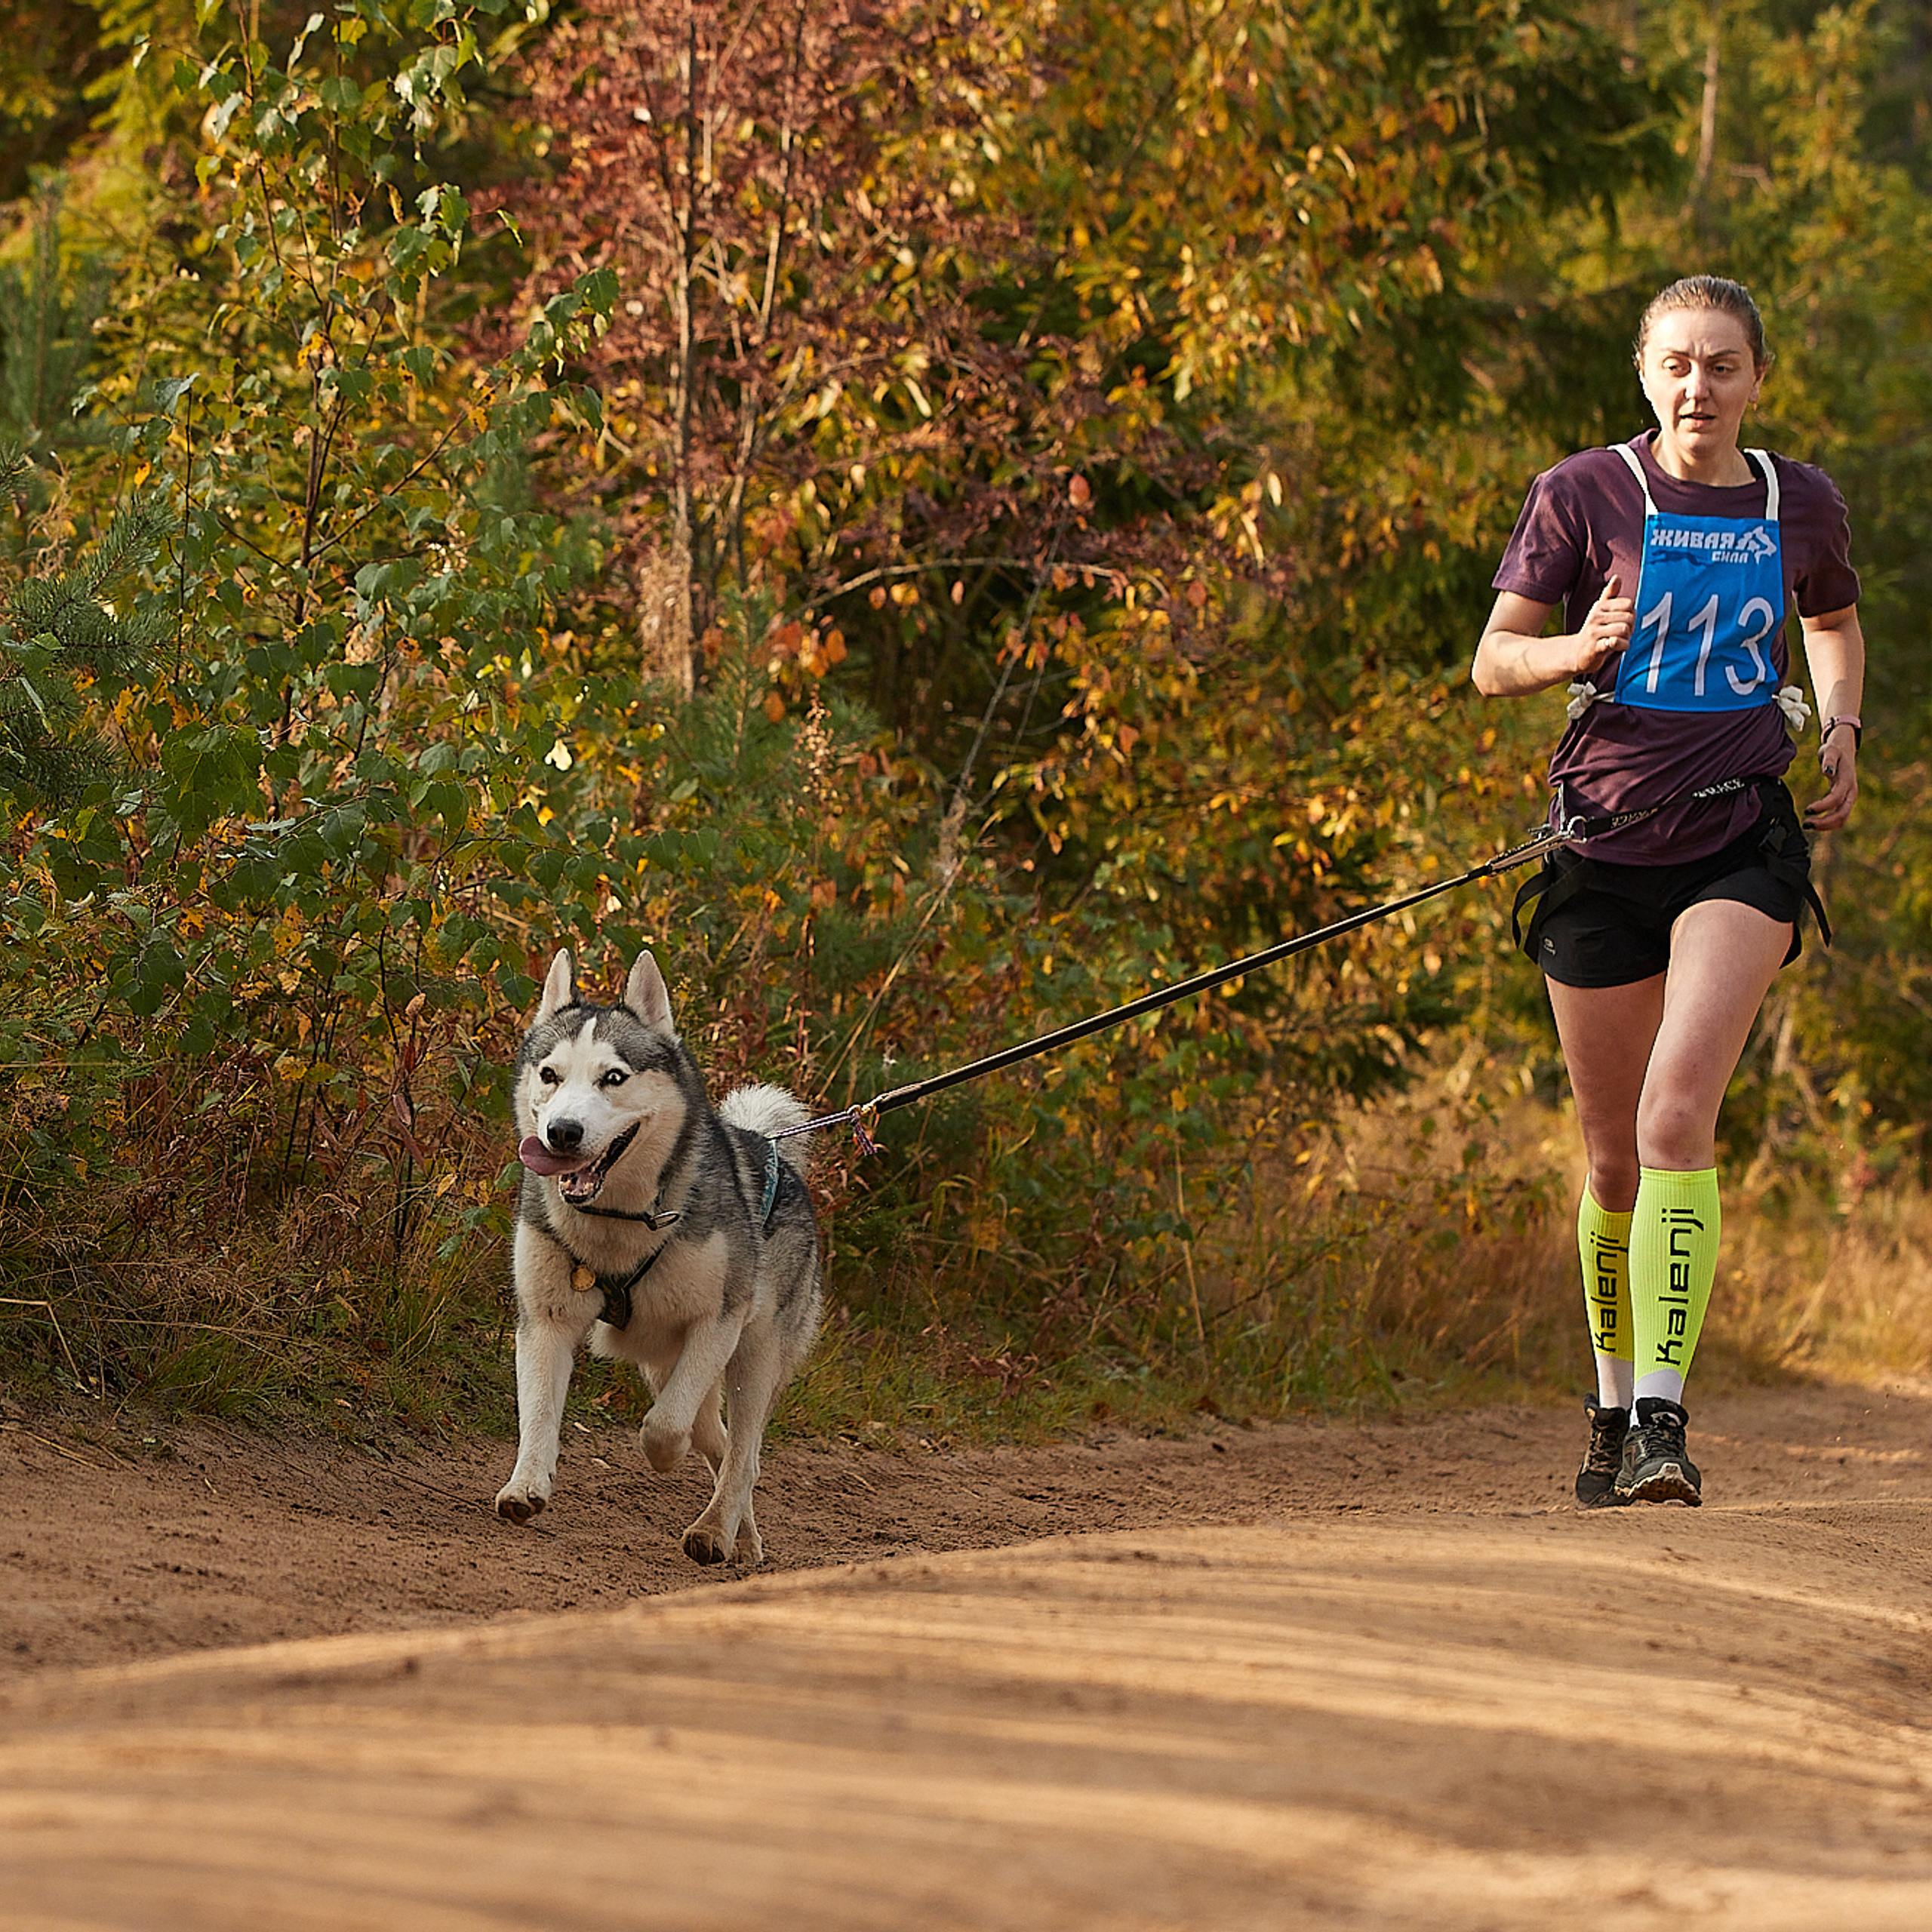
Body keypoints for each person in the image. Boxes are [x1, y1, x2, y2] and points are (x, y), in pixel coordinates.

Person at [1472, 275, 1863, 1507]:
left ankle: (1663, 1422)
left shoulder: (1801, 500)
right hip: (1598, 846)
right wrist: (1572, 652)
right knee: (1608, 1157)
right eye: (1680, 363)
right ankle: (1607, 1400)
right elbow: (1492, 662)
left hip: (1738, 839)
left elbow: (1836, 620)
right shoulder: (1582, 493)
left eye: (1725, 364)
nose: (1702, 386)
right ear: (1646, 373)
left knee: (1673, 1116)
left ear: (1758, 377)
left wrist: (1842, 720)